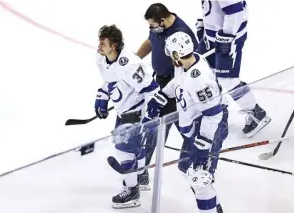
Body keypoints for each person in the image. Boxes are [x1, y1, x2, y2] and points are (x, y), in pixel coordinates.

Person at [143, 32, 228, 213]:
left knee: (199, 178)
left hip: (210, 128)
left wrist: (204, 144)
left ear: (176, 54)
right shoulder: (187, 62)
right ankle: (215, 207)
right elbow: (178, 82)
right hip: (196, 127)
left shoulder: (201, 79)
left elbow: (213, 113)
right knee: (185, 169)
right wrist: (162, 96)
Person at [95, 24, 159, 209]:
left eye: (103, 43)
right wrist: (103, 94)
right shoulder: (102, 57)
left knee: (124, 150)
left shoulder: (130, 64)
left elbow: (152, 90)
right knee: (135, 150)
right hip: (123, 110)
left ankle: (132, 192)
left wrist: (149, 118)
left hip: (137, 113)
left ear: (113, 45)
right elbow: (109, 77)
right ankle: (141, 176)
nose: (99, 46)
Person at [196, 0, 271, 137]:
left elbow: (235, 11)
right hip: (213, 36)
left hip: (229, 39)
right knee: (207, 72)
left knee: (227, 80)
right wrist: (204, 24)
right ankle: (215, 112)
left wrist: (227, 36)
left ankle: (256, 113)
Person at [136, 2, 199, 167]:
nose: (151, 28)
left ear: (162, 20)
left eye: (152, 24)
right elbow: (151, 42)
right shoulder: (159, 27)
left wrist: (167, 91)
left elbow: (189, 68)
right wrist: (136, 59)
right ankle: (196, 155)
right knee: (170, 122)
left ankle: (141, 169)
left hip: (174, 84)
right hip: (161, 81)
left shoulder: (182, 35)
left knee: (160, 124)